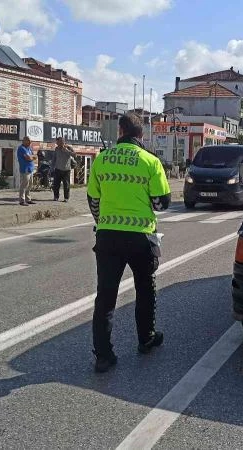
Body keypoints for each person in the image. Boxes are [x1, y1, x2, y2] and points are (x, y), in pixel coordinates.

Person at [86, 112, 172, 373]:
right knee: (145, 288)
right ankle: (146, 339)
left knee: (106, 296)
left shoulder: (101, 159)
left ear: (120, 131)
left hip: (108, 236)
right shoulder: (150, 161)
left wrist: (105, 221)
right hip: (140, 238)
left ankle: (103, 355)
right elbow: (162, 203)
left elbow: (93, 201)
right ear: (141, 135)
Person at [50, 137, 77, 202]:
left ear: (63, 141)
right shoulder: (56, 149)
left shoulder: (69, 147)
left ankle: (66, 198)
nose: (58, 144)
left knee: (66, 185)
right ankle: (56, 197)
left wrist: (67, 150)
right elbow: (54, 158)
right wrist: (52, 167)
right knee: (56, 185)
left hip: (66, 170)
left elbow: (75, 155)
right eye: (57, 142)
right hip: (58, 169)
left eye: (59, 142)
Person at [16, 136, 36, 206]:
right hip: (25, 169)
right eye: (28, 141)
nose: (30, 142)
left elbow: (34, 156)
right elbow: (28, 158)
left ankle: (28, 199)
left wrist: (32, 157)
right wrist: (31, 157)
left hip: (30, 169)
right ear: (24, 141)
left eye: (30, 141)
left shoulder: (29, 148)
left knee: (30, 185)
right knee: (24, 185)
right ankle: (22, 200)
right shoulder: (21, 148)